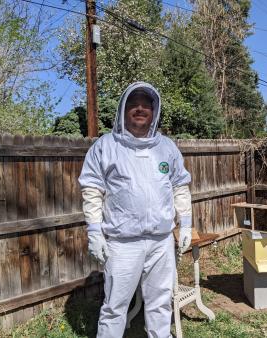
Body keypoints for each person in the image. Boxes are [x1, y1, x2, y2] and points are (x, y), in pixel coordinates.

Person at [78, 81, 193, 338]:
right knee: (114, 307)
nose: (140, 109)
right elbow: (92, 190)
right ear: (123, 109)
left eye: (146, 105)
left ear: (154, 111)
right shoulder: (105, 146)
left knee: (161, 304)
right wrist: (94, 231)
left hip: (161, 241)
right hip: (122, 243)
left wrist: (186, 223)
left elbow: (180, 187)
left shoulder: (167, 148)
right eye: (133, 104)